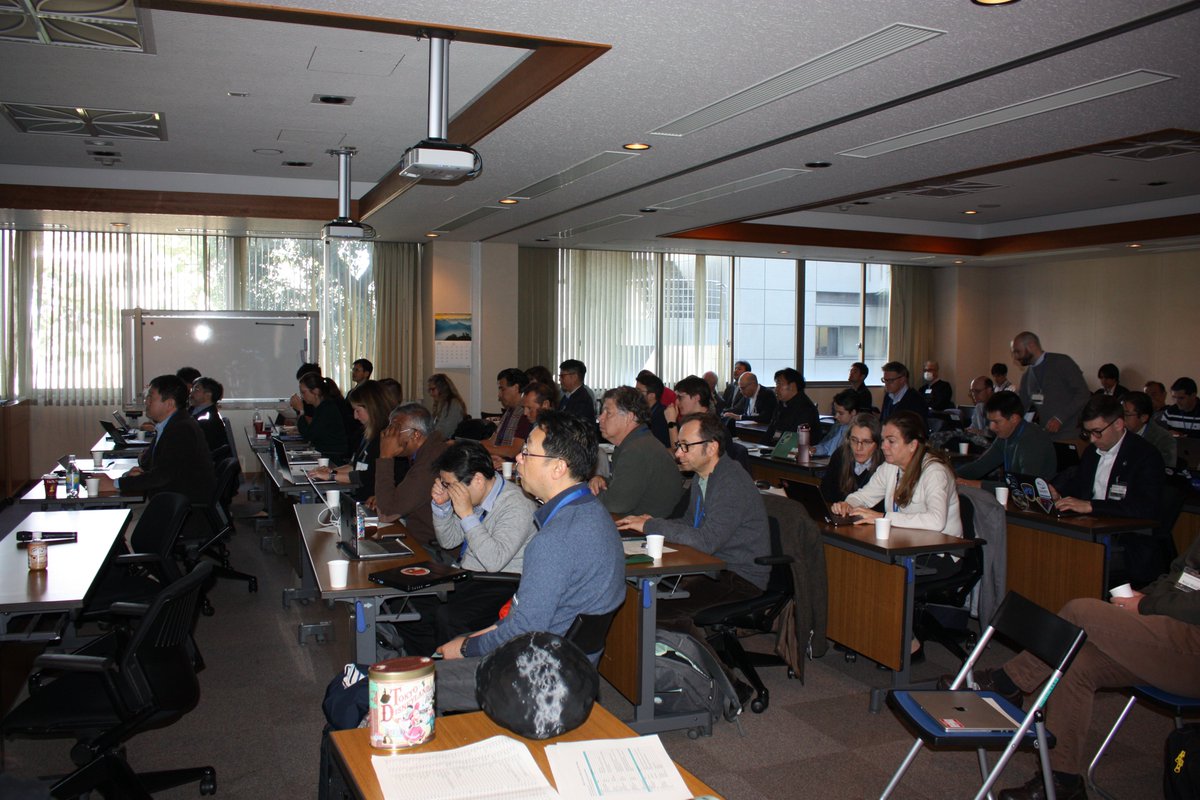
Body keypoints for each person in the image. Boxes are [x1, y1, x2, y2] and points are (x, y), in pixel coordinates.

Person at [955, 536, 1200, 800]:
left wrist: (1144, 605)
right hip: (1171, 627)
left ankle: (1007, 682)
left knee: (1080, 611)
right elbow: (1178, 575)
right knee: (1076, 661)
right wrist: (1146, 597)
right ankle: (1063, 781)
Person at [432, 411, 625, 713]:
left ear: (558, 468)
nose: (517, 460)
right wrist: (480, 635)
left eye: (527, 452)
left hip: (538, 676)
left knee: (410, 684)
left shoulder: (554, 540)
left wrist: (468, 646)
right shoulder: (593, 513)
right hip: (572, 666)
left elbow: (523, 631)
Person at [616, 413, 770, 688]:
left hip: (739, 574)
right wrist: (652, 525)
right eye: (678, 446)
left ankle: (728, 686)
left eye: (685, 446)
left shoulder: (730, 481)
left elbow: (707, 540)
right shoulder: (702, 478)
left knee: (660, 611)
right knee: (645, 602)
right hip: (714, 566)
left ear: (711, 448)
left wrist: (652, 525)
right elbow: (690, 524)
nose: (678, 453)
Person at [380, 441, 537, 657]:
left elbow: (494, 560)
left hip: (501, 582)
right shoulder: (475, 495)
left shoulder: (517, 505)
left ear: (478, 480)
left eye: (450, 485)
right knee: (401, 602)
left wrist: (466, 515)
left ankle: (448, 672)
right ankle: (428, 662)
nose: (447, 489)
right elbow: (450, 540)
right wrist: (442, 507)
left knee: (447, 616)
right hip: (469, 576)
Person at [832, 410, 962, 542]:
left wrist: (883, 517)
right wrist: (847, 505)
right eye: (883, 440)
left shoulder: (935, 472)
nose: (883, 446)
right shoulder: (890, 467)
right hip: (906, 542)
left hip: (939, 552)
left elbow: (936, 521)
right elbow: (863, 496)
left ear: (912, 445)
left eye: (891, 441)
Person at [99, 374, 216, 505]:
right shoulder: (170, 424)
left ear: (169, 404)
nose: (146, 401)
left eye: (150, 397)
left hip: (180, 507)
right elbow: (154, 464)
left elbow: (162, 476)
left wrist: (116, 484)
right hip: (170, 498)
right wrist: (138, 473)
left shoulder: (181, 429)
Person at [1051, 395, 1164, 520]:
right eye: (1088, 433)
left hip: (1126, 531)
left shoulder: (1145, 455)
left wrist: (1092, 506)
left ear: (1118, 424)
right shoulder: (1092, 452)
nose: (1092, 439)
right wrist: (1060, 497)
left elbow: (1145, 507)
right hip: (1089, 524)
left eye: (1097, 431)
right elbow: (1080, 489)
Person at [589, 387, 684, 518]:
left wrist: (589, 493)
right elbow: (626, 484)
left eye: (608, 413)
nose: (600, 418)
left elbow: (616, 503)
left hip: (648, 532)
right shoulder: (636, 442)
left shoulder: (637, 449)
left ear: (629, 417)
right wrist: (602, 480)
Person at [372, 403, 450, 556]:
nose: (388, 435)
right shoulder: (429, 451)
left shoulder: (430, 463)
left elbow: (386, 514)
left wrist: (385, 456)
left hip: (433, 551)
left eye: (395, 430)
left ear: (416, 435)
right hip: (421, 539)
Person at [307, 380, 392, 505]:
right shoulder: (368, 433)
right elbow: (355, 465)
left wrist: (332, 476)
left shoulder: (384, 437)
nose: (355, 416)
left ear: (372, 408)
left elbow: (367, 476)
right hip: (361, 495)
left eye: (358, 411)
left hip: (371, 500)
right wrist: (330, 471)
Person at [955, 391, 1057, 492]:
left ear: (1014, 418)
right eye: (990, 421)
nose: (991, 427)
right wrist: (948, 475)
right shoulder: (1006, 434)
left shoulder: (1033, 440)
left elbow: (1026, 486)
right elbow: (980, 466)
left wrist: (972, 484)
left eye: (996, 422)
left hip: (1036, 501)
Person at [1011, 331, 1091, 435]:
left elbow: (1083, 394)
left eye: (1018, 351)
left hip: (1070, 433)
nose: (1016, 357)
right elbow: (1022, 406)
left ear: (1031, 345)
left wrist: (1060, 418)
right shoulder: (1027, 376)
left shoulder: (1062, 362)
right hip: (1046, 435)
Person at [820, 412, 883, 504]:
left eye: (866, 442)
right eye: (854, 440)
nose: (858, 448)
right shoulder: (840, 455)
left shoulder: (884, 465)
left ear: (877, 444)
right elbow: (826, 494)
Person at [292, 373, 350, 462]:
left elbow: (308, 435)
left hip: (331, 456)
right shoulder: (321, 407)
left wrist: (301, 411)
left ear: (316, 391)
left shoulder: (327, 408)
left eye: (303, 392)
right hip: (324, 452)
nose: (302, 396)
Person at [482, 368, 532, 464]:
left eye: (502, 389)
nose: (499, 395)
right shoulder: (510, 410)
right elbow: (493, 441)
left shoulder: (525, 413)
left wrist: (480, 448)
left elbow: (513, 451)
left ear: (516, 388)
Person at [1123, 390, 1177, 470]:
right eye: (1120, 413)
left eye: (1126, 414)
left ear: (1143, 418)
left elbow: (1166, 471)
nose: (1121, 418)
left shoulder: (1164, 439)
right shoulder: (1118, 433)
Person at [766, 367, 819, 442]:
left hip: (796, 450)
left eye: (778, 384)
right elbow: (771, 430)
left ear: (792, 386)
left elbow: (794, 438)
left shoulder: (806, 408)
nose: (776, 389)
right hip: (776, 446)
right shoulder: (781, 404)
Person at [812, 389, 863, 458]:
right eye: (835, 412)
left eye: (841, 413)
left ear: (853, 412)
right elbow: (827, 447)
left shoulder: (860, 432)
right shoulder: (839, 426)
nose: (836, 416)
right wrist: (814, 450)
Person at [188, 376, 228, 456]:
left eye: (197, 389)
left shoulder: (209, 418)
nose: (191, 393)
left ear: (208, 395)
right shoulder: (191, 410)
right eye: (192, 389)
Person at [635, 372, 671, 447]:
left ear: (651, 396)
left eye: (638, 391)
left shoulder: (661, 416)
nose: (635, 394)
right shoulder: (644, 412)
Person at [426, 373, 466, 439]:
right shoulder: (439, 405)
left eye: (433, 389)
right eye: (429, 390)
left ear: (442, 388)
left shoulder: (454, 405)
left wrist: (428, 438)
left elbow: (445, 431)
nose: (431, 393)